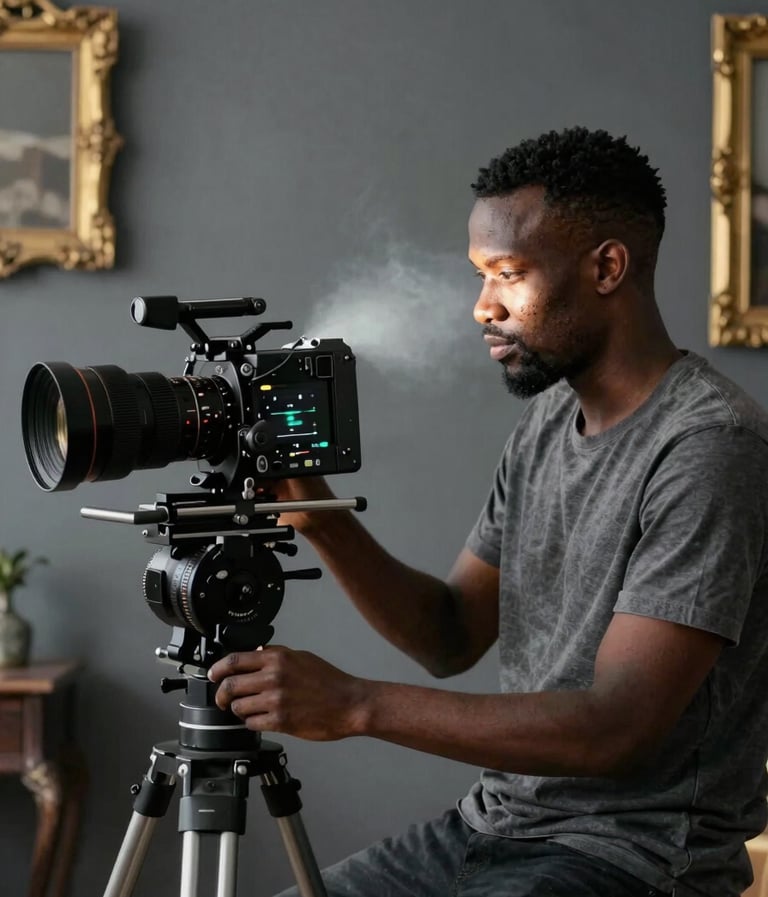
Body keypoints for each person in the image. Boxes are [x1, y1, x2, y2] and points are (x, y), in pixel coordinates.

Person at [208, 127, 768, 897]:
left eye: (508, 273)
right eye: (480, 274)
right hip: (491, 827)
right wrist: (325, 519)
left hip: (631, 858)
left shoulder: (711, 446)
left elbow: (617, 727)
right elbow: (448, 635)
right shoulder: (544, 424)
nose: (483, 306)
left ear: (607, 267)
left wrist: (356, 704)